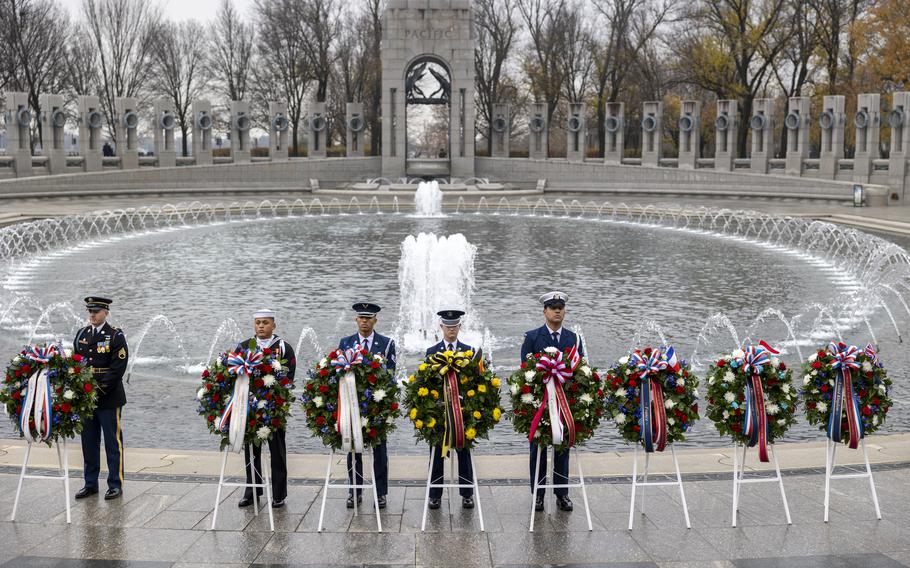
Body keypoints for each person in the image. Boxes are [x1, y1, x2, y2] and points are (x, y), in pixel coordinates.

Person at [520, 291, 585, 513]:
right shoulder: (532, 337)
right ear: (544, 311)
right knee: (537, 449)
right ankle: (537, 494)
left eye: (561, 307)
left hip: (564, 403)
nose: (557, 310)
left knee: (562, 448)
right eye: (553, 306)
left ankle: (561, 493)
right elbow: (524, 373)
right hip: (540, 404)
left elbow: (580, 371)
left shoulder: (573, 339)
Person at [236, 308, 296, 509]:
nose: (261, 326)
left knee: (277, 450)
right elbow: (235, 376)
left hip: (274, 407)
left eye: (265, 323)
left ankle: (279, 493)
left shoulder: (283, 347)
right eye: (258, 323)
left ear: (273, 325)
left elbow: (289, 378)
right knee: (251, 450)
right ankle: (252, 490)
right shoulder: (244, 347)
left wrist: (277, 399)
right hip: (250, 407)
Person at [338, 302, 396, 510]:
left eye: (368, 318)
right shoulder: (346, 343)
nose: (364, 321)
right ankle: (355, 491)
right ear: (356, 320)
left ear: (375, 320)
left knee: (380, 450)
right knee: (353, 448)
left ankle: (380, 493)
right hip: (352, 405)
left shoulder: (387, 344)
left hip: (376, 406)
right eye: (361, 318)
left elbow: (390, 376)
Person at [73, 296, 128, 501]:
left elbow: (117, 368)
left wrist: (100, 388)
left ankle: (115, 484)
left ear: (106, 312)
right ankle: (90, 483)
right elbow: (76, 363)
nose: (92, 315)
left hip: (108, 397)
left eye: (96, 311)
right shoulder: (82, 334)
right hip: (87, 397)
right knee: (88, 441)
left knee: (113, 442)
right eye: (90, 311)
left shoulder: (115, 336)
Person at [424, 309, 476, 510]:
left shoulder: (468, 351)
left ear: (459, 327)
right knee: (437, 453)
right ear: (441, 327)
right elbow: (426, 382)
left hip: (462, 411)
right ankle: (435, 494)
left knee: (464, 452)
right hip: (439, 411)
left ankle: (467, 493)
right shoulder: (432, 352)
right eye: (448, 326)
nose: (451, 330)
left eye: (454, 326)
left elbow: (474, 382)